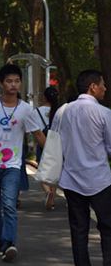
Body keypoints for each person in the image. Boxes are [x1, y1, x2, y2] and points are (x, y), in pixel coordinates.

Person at [0, 64, 46, 262]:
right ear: (2, 83)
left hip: (13, 165)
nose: (13, 85)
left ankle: (9, 243)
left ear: (20, 83)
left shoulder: (26, 109)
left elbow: (37, 133)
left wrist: (53, 155)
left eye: (17, 81)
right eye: (9, 81)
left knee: (9, 204)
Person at [53, 70, 111, 265]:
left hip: (71, 180)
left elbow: (54, 143)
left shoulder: (62, 112)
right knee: (108, 227)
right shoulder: (104, 113)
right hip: (99, 181)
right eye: (102, 84)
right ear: (93, 87)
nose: (104, 88)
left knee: (78, 230)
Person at [34, 86, 58, 210]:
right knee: (54, 170)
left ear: (44, 97)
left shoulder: (37, 111)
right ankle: (52, 199)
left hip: (42, 143)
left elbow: (33, 129)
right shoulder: (59, 111)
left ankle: (48, 191)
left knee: (41, 170)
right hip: (56, 144)